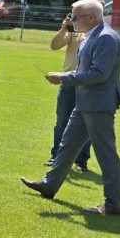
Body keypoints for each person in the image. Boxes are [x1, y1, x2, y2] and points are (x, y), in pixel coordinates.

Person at [21, 0, 120, 215]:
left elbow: (99, 74)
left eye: (76, 17)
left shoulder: (106, 38)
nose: (72, 20)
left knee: (106, 154)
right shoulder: (91, 35)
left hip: (99, 104)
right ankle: (49, 185)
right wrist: (66, 76)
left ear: (91, 17)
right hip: (85, 101)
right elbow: (85, 70)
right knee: (67, 145)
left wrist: (64, 78)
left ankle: (113, 203)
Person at [47, 14, 91, 172]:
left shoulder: (97, 35)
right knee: (62, 122)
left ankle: (81, 161)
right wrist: (63, 28)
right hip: (68, 84)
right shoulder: (73, 33)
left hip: (87, 85)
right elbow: (54, 45)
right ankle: (56, 156)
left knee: (86, 124)